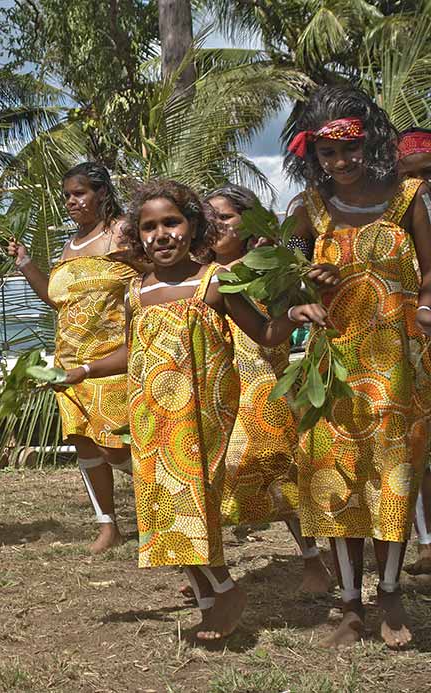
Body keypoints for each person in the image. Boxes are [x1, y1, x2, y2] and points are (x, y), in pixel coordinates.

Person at [59, 180, 328, 640]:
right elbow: (132, 349)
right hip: (152, 418)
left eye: (171, 222)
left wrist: (295, 314)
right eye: (149, 226)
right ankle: (210, 599)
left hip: (201, 419)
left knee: (193, 502)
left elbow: (264, 334)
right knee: (161, 506)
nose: (160, 234)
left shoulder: (213, 282)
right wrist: (85, 368)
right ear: (137, 236)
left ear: (193, 226)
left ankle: (224, 590)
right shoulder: (137, 292)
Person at [284, 85, 431, 648]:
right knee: (337, 477)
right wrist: (301, 292)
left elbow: (430, 272)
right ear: (313, 154)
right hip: (333, 368)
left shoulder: (409, 196)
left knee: (393, 476)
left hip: (399, 363)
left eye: (350, 150)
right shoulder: (310, 210)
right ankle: (349, 605)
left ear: (370, 143)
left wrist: (423, 305)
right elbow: (275, 275)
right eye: (328, 154)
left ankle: (390, 593)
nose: (340, 163)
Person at [204, 184, 333, 594]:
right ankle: (213, 565)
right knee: (211, 472)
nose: (216, 226)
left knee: (279, 468)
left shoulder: (274, 268)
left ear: (250, 220)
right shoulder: (198, 273)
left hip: (263, 382)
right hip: (213, 383)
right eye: (208, 219)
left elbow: (286, 321)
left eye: (225, 217)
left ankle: (312, 559)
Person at [8, 162, 138, 553]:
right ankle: (107, 524)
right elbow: (56, 298)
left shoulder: (121, 232)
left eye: (79, 193)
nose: (71, 201)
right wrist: (26, 263)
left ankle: (168, 502)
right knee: (84, 444)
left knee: (117, 447)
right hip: (69, 362)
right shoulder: (70, 245)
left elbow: (145, 278)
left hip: (114, 358)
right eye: (67, 195)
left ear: (101, 193)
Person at [398, 128, 431, 576]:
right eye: (414, 174)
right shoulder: (395, 210)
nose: (423, 184)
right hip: (408, 338)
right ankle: (426, 542)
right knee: (419, 443)